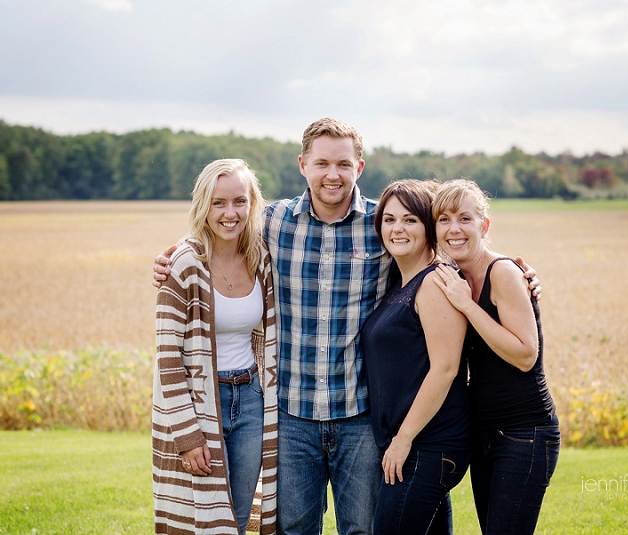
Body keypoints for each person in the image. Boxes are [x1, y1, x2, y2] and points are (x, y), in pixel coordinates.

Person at [153, 118, 541, 535]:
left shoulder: (386, 224)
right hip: (292, 414)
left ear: (358, 167)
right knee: (294, 529)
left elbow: (446, 250)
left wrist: (517, 273)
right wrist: (174, 256)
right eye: (321, 163)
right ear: (303, 165)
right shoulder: (273, 222)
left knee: (362, 528)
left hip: (360, 415)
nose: (332, 174)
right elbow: (222, 225)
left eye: (342, 163)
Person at [152, 158, 278, 535]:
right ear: (203, 206)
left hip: (253, 400)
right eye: (218, 203)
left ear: (252, 204)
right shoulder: (185, 265)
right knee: (206, 522)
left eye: (239, 201)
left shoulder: (261, 260)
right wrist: (188, 437)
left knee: (238, 519)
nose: (230, 213)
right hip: (204, 403)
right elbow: (169, 359)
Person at [432, 179, 559, 535]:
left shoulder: (502, 272)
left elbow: (525, 355)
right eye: (443, 219)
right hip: (484, 433)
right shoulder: (454, 276)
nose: (453, 229)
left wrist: (468, 306)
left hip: (526, 433)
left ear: (483, 226)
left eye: (464, 218)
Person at [361, 180, 471, 535]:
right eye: (389, 219)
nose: (397, 228)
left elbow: (446, 368)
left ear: (428, 226)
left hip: (428, 445)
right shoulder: (402, 281)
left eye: (409, 220)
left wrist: (404, 438)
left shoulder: (435, 283)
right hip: (416, 445)